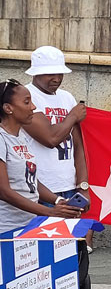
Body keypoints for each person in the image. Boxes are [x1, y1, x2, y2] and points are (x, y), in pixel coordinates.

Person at [23, 46, 92, 250]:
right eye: (50, 73)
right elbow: (50, 138)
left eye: (60, 72)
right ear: (36, 73)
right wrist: (72, 116)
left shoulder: (67, 97)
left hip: (69, 187)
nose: (57, 78)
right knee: (43, 251)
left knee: (69, 250)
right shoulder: (27, 97)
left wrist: (83, 186)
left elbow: (78, 146)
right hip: (40, 189)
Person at [0, 80, 82, 236]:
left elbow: (30, 180)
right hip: (6, 229)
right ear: (8, 108)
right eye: (27, 102)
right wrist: (49, 212)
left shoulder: (21, 137)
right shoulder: (1, 138)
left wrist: (58, 201)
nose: (33, 107)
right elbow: (3, 191)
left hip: (28, 225)